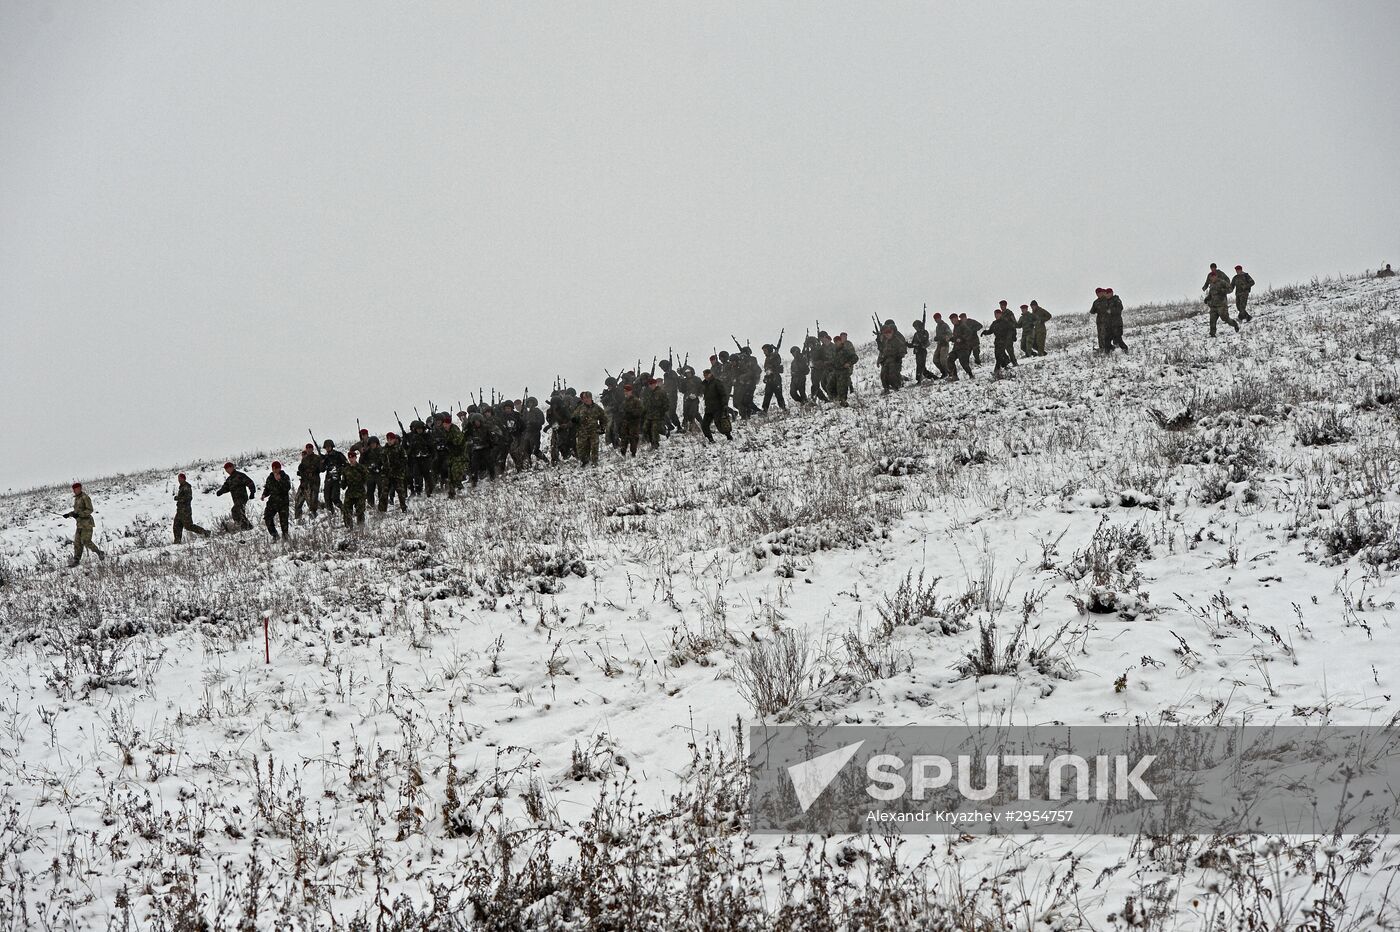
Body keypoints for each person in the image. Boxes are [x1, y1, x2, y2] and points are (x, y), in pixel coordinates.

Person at [64, 482, 105, 566]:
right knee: (77, 543)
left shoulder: (85, 497)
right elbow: (76, 511)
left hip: (87, 524)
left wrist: (79, 514)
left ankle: (99, 553)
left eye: (76, 489)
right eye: (74, 490)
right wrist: (69, 514)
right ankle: (76, 560)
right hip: (79, 524)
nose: (75, 491)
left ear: (80, 488)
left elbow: (90, 510)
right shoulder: (77, 499)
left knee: (86, 541)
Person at [216, 462, 256, 530]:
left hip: (242, 497)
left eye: (228, 469)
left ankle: (246, 526)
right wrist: (220, 491)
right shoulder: (229, 479)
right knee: (240, 512)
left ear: (232, 467)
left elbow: (249, 482)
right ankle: (246, 527)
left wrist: (252, 492)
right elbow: (226, 487)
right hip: (235, 499)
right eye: (226, 470)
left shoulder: (240, 475)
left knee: (235, 510)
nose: (227, 471)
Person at [571, 391, 607, 465]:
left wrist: (602, 427)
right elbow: (573, 417)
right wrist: (575, 419)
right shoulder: (580, 408)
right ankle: (585, 461)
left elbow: (604, 418)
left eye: (587, 398)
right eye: (584, 398)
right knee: (581, 449)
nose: (585, 400)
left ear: (590, 398)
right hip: (582, 432)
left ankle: (594, 462)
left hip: (594, 431)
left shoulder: (597, 408)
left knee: (594, 448)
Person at [1203, 264, 1239, 336]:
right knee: (1212, 320)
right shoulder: (1212, 285)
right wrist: (1207, 298)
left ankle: (1234, 324)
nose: (1212, 279)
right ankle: (1212, 334)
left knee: (1225, 319)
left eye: (1213, 277)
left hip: (1221, 305)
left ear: (1216, 276)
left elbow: (1230, 289)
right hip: (1213, 306)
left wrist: (1223, 291)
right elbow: (1211, 294)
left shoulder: (1222, 282)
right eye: (1211, 278)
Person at [172, 473, 208, 543]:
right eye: (178, 479)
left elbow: (188, 498)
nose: (179, 480)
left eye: (180, 478)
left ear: (183, 479)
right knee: (176, 526)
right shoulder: (182, 487)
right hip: (180, 511)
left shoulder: (186, 487)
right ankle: (177, 541)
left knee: (189, 526)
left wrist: (178, 498)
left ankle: (205, 532)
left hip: (185, 511)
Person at [261, 461, 292, 540]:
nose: (275, 470)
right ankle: (274, 534)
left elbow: (287, 488)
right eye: (273, 468)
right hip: (272, 502)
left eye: (276, 468)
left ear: (279, 468)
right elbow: (267, 488)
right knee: (267, 517)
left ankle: (285, 536)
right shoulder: (270, 477)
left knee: (284, 521)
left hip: (283, 502)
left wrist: (279, 480)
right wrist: (264, 494)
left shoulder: (285, 476)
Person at [378, 432, 409, 512]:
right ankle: (382, 510)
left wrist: (398, 464)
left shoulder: (399, 448)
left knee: (400, 492)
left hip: (397, 474)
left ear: (394, 439)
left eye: (391, 439)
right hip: (387, 474)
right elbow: (381, 460)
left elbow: (405, 459)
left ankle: (404, 508)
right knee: (384, 493)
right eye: (388, 439)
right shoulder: (384, 449)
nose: (389, 441)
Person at [982, 308, 1018, 376]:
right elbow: (990, 331)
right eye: (995, 314)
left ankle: (997, 371)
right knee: (997, 355)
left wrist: (1014, 336)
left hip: (1004, 341)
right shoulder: (994, 323)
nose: (996, 316)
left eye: (998, 314)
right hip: (997, 341)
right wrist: (985, 332)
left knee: (999, 356)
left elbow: (1012, 328)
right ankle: (1006, 365)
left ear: (1001, 314)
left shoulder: (1005, 322)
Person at [876, 319, 908, 393]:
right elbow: (882, 350)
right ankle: (886, 389)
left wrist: (899, 356)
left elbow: (903, 348)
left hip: (895, 359)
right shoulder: (885, 339)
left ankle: (897, 386)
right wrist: (880, 359)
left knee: (893, 374)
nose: (887, 333)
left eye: (889, 331)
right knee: (883, 375)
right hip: (886, 360)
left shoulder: (897, 337)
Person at [701, 368, 733, 441]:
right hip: (709, 408)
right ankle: (710, 439)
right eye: (704, 375)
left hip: (718, 407)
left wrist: (725, 404)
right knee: (704, 425)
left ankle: (728, 436)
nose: (705, 376)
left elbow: (723, 394)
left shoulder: (717, 382)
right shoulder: (704, 384)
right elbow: (698, 390)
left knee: (719, 424)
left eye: (706, 375)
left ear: (710, 374)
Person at [294, 443, 321, 519]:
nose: (308, 449)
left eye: (310, 448)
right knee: (298, 501)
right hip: (304, 483)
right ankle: (298, 519)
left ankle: (314, 518)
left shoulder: (317, 458)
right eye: (307, 448)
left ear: (312, 449)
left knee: (312, 502)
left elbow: (321, 469)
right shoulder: (304, 460)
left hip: (313, 483)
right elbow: (301, 470)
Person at [341, 451, 368, 527]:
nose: (351, 459)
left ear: (356, 457)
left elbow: (366, 479)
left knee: (360, 511)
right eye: (349, 457)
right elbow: (343, 484)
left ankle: (361, 527)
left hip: (360, 492)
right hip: (350, 493)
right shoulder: (346, 469)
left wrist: (366, 490)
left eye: (352, 457)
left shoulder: (361, 468)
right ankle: (349, 527)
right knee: (346, 510)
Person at [830, 333, 858, 405]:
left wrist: (849, 363)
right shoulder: (834, 351)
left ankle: (843, 401)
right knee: (830, 385)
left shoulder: (845, 350)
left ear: (840, 341)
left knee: (842, 387)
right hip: (836, 371)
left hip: (843, 371)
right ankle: (836, 399)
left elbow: (855, 357)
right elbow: (833, 361)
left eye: (838, 341)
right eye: (835, 342)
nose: (836, 343)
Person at [320, 440, 348, 513]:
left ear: (332, 447)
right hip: (328, 479)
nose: (327, 448)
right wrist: (322, 462)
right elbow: (322, 469)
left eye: (329, 447)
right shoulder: (325, 457)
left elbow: (346, 465)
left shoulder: (338, 455)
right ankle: (331, 515)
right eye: (326, 447)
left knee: (335, 498)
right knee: (327, 499)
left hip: (336, 479)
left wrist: (338, 470)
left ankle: (345, 511)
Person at [618, 383, 643, 455]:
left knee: (633, 438)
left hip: (634, 422)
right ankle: (623, 451)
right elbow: (621, 410)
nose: (626, 393)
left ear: (631, 391)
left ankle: (633, 453)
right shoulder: (624, 401)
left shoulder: (636, 401)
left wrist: (632, 413)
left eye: (627, 391)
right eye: (625, 391)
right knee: (624, 437)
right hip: (625, 422)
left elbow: (640, 411)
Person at [950, 314, 977, 380]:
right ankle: (955, 376)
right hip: (956, 348)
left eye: (953, 320)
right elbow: (956, 338)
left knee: (963, 363)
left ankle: (971, 375)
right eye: (951, 320)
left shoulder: (962, 325)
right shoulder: (955, 327)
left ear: (956, 318)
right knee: (950, 359)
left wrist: (961, 338)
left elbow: (969, 333)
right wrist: (952, 339)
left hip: (964, 348)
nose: (952, 321)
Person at [761, 344, 787, 411]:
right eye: (763, 351)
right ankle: (764, 410)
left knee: (778, 395)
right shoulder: (767, 358)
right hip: (769, 378)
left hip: (776, 378)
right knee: (767, 395)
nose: (764, 352)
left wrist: (771, 368)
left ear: (769, 350)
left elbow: (777, 363)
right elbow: (767, 369)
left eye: (765, 350)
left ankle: (783, 408)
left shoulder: (775, 355)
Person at [1104, 288, 1128, 352]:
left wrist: (1111, 311)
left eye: (1108, 293)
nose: (1107, 295)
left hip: (1116, 324)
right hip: (1109, 324)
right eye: (1106, 294)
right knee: (1107, 338)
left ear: (1111, 293)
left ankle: (1125, 349)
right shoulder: (1106, 301)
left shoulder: (1116, 300)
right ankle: (1108, 351)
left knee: (1118, 339)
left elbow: (1120, 309)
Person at [1089, 288, 1112, 353]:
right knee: (1100, 335)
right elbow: (1092, 311)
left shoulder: (1108, 300)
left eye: (1099, 293)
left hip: (1108, 321)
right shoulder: (1096, 302)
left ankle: (1108, 348)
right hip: (1099, 322)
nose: (1098, 294)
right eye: (1097, 293)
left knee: (1107, 335)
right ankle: (1102, 348)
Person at [909, 318, 932, 383]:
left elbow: (925, 341)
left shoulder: (925, 332)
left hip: (922, 351)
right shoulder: (916, 334)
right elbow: (913, 344)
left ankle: (919, 379)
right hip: (917, 351)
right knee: (922, 367)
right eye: (915, 327)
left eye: (916, 326)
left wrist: (918, 344)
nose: (916, 328)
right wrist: (907, 344)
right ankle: (932, 377)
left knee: (920, 365)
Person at [931, 313, 953, 378]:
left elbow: (949, 334)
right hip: (939, 345)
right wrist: (936, 338)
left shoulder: (944, 325)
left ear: (940, 318)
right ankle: (944, 372)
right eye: (935, 319)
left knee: (943, 360)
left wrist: (943, 338)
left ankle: (950, 372)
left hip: (945, 345)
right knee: (935, 360)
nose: (936, 320)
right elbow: (939, 336)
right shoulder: (937, 327)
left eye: (937, 318)